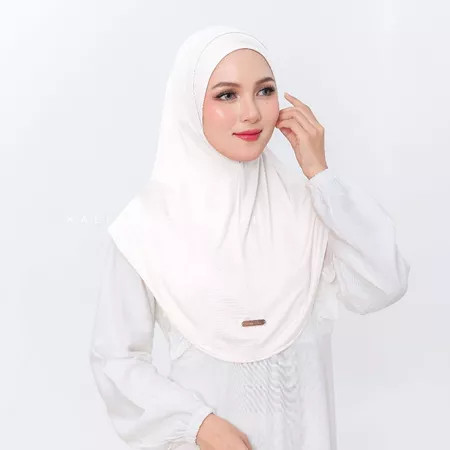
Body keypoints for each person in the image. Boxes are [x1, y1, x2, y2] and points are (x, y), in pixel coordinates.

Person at [89, 25, 410, 450]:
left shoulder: (311, 207)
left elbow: (385, 283)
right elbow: (116, 360)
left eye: (265, 91)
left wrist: (321, 175)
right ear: (190, 104)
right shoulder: (147, 226)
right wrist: (199, 425)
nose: (252, 113)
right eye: (226, 95)